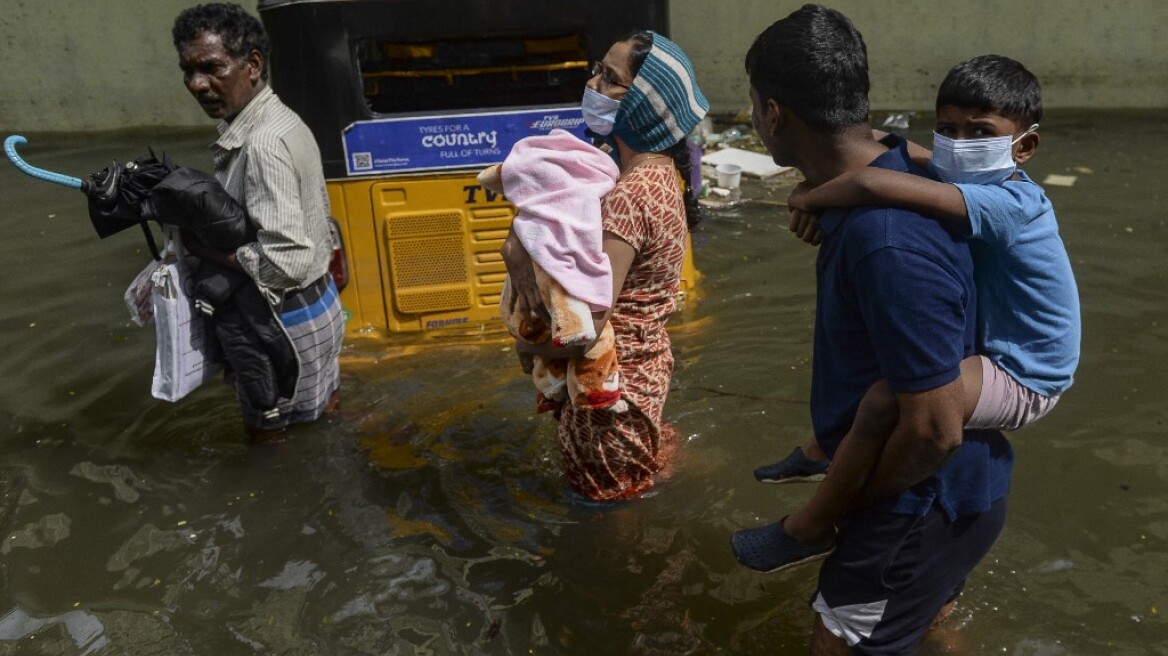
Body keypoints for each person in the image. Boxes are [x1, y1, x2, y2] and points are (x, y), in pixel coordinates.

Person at [731, 6, 1014, 653]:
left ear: (773, 113)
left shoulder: (885, 241)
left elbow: (935, 431)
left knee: (836, 646)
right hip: (957, 490)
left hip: (920, 500)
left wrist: (841, 508)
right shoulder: (894, 172)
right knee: (924, 625)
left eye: (753, 106)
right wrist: (819, 198)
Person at [748, 54, 1081, 567]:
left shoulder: (1012, 204)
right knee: (894, 371)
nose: (959, 143)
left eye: (980, 132)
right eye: (948, 129)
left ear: (1025, 147)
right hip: (1002, 345)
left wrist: (809, 195)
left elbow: (870, 183)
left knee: (885, 400)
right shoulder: (966, 175)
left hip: (1030, 373)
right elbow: (895, 146)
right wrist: (824, 184)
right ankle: (819, 453)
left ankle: (814, 523)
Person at [501, 31, 707, 501]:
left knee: (610, 523)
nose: (592, 84)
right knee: (636, 488)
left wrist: (528, 347)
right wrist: (516, 242)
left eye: (610, 79)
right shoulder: (654, 174)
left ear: (641, 105)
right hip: (644, 371)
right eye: (597, 70)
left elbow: (589, 326)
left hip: (609, 397)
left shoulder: (630, 195)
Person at [172, 3, 344, 442]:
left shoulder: (262, 143)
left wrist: (203, 250)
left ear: (252, 65)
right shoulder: (284, 119)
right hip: (319, 308)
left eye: (211, 68)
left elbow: (286, 261)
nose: (197, 84)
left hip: (280, 323)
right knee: (324, 419)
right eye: (188, 71)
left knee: (269, 443)